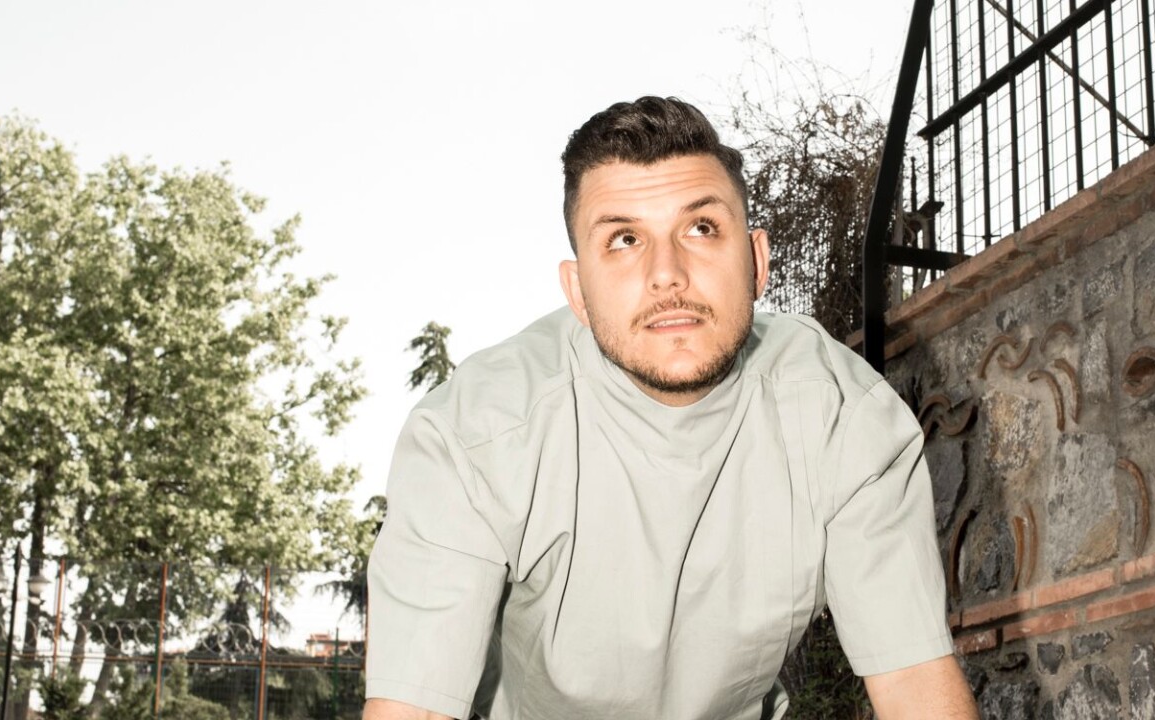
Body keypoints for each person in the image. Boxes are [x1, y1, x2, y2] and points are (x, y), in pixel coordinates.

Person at [363, 96, 978, 720]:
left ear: (757, 261)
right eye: (625, 239)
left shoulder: (843, 417)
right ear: (578, 292)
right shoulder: (475, 433)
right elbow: (412, 709)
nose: (667, 274)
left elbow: (914, 683)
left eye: (701, 228)